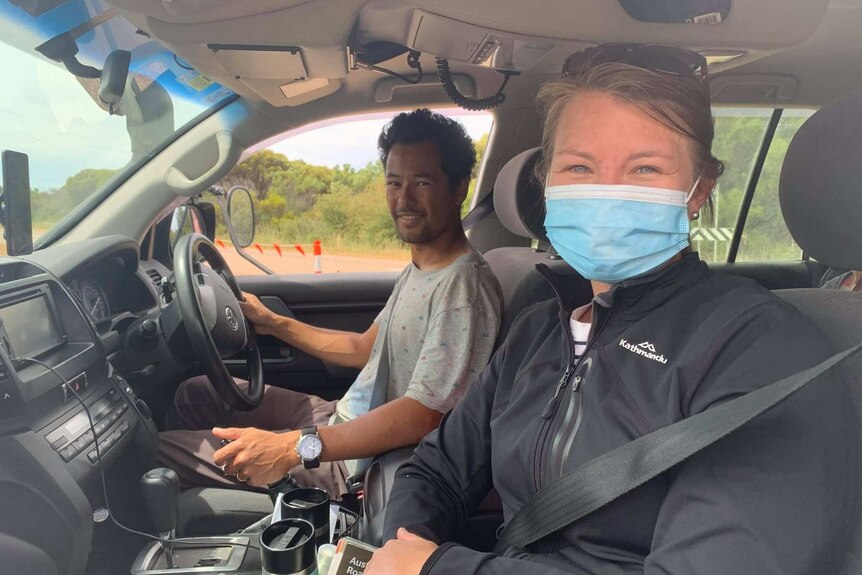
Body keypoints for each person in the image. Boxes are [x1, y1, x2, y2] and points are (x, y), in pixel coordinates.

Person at [368, 45, 856, 575]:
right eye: (579, 166)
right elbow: (437, 469)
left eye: (645, 168)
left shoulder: (763, 352)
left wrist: (438, 568)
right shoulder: (537, 332)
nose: (608, 191)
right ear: (546, 183)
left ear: (699, 191)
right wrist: (402, 547)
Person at [158, 109, 503, 498]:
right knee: (196, 391)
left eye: (421, 182)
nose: (404, 198)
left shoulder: (464, 289)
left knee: (162, 454)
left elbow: (424, 415)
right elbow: (363, 349)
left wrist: (294, 447)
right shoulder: (422, 267)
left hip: (359, 465)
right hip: (345, 419)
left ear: (458, 188)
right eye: (394, 182)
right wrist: (271, 321)